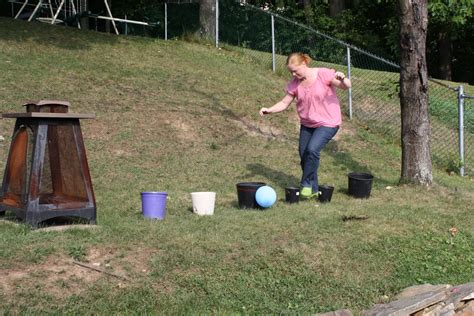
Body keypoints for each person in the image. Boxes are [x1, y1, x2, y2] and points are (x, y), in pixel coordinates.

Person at [259, 52, 351, 199]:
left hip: (328, 122)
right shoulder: (294, 83)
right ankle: (314, 190)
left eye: (295, 70)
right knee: (304, 156)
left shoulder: (323, 74)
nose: (293, 74)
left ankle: (306, 184)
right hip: (308, 124)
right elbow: (284, 103)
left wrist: (343, 78)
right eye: (291, 72)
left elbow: (346, 86)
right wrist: (269, 109)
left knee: (312, 149)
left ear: (303, 64)